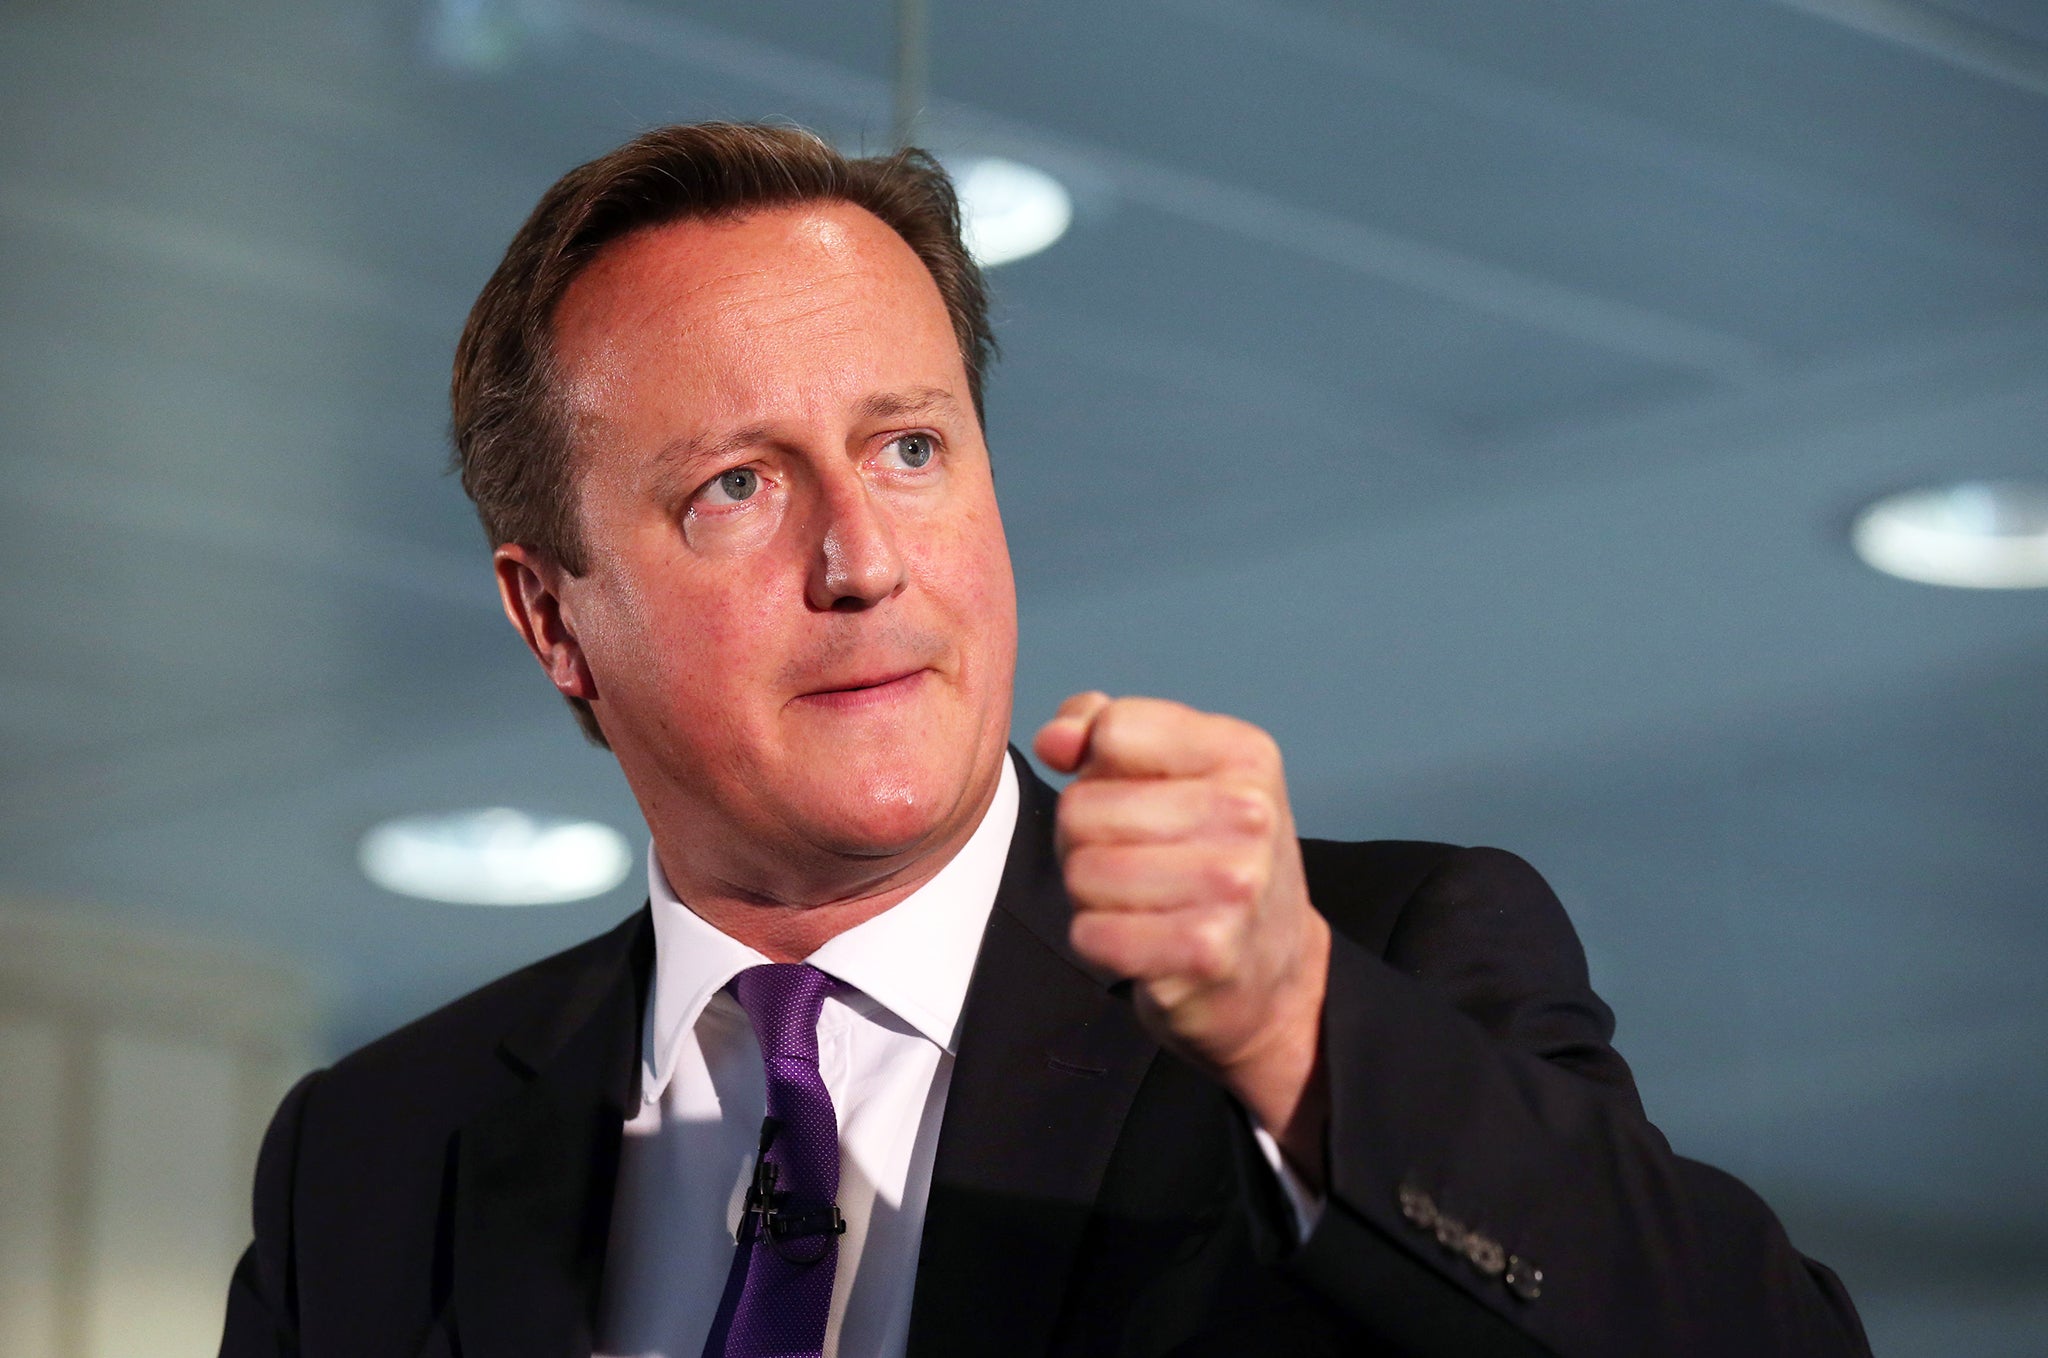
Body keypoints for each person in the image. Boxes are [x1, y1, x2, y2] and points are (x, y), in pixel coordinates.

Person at [219, 123, 1871, 1358]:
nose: (863, 557)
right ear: (551, 618)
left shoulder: (1377, 971)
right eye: (738, 485)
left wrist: (1303, 1037)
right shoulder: (375, 1158)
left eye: (913, 447)